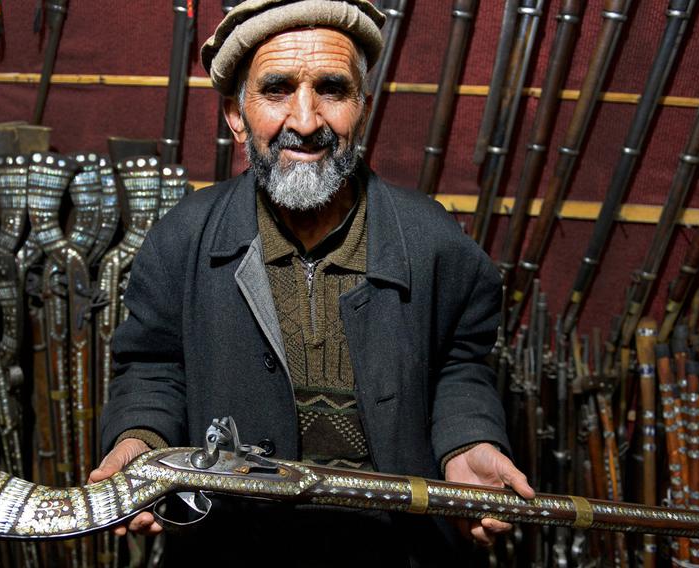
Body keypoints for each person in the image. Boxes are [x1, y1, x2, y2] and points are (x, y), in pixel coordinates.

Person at [91, 0, 534, 564]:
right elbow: (153, 367)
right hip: (235, 547)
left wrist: (468, 443)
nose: (305, 121)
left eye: (331, 89)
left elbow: (459, 364)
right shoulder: (183, 239)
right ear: (235, 112)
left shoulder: (435, 243)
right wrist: (139, 442)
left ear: (362, 107)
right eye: (276, 90)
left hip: (399, 549)